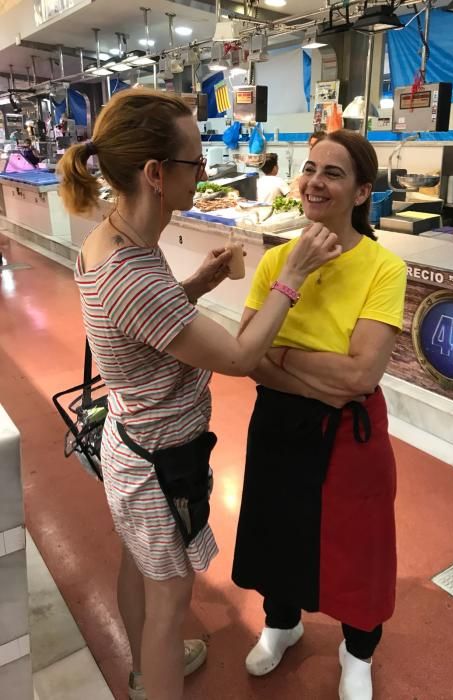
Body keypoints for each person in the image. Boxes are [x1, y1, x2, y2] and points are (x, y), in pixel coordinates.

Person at [58, 88, 342, 700]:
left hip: (134, 444)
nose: (205, 173)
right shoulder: (131, 271)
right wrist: (289, 279)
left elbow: (146, 327)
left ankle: (143, 668)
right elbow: (241, 357)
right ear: (157, 175)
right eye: (194, 163)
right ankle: (152, 675)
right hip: (154, 464)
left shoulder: (116, 241)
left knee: (139, 567)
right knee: (170, 599)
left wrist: (198, 282)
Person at [232, 130, 407, 700]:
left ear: (361, 193)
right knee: (276, 530)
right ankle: (282, 622)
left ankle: (358, 652)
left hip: (349, 435)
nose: (314, 181)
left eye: (333, 173)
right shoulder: (279, 260)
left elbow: (362, 376)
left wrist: (276, 351)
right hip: (281, 423)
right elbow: (246, 356)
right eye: (309, 168)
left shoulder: (383, 267)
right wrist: (299, 364)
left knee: (359, 548)